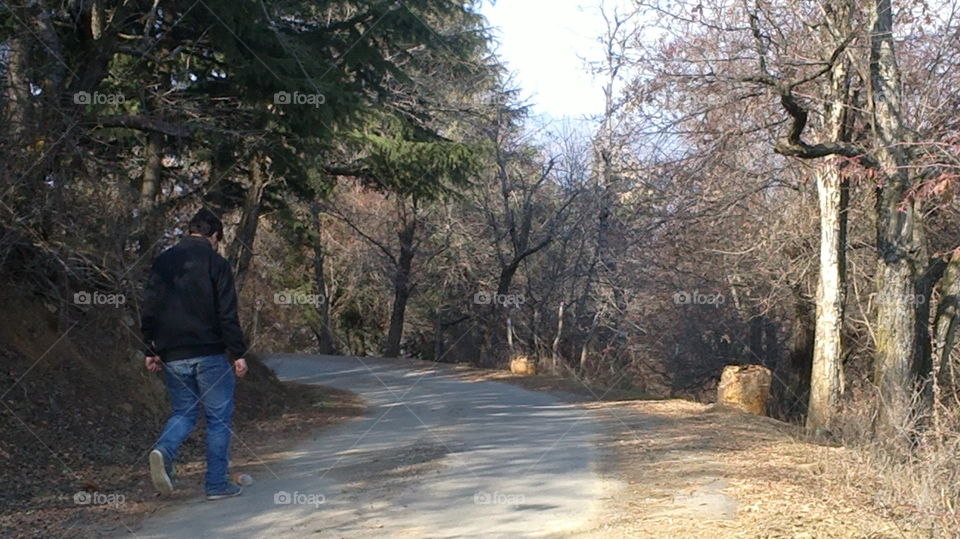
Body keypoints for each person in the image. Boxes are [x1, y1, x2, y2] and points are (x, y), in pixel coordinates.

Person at [141, 208, 249, 500]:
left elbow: (149, 306)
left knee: (184, 413)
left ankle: (163, 450)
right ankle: (216, 485)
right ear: (214, 235)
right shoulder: (217, 264)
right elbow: (227, 313)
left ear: (190, 231)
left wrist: (150, 348)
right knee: (218, 419)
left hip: (173, 354)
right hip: (210, 353)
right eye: (218, 239)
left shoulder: (163, 262)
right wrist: (238, 352)